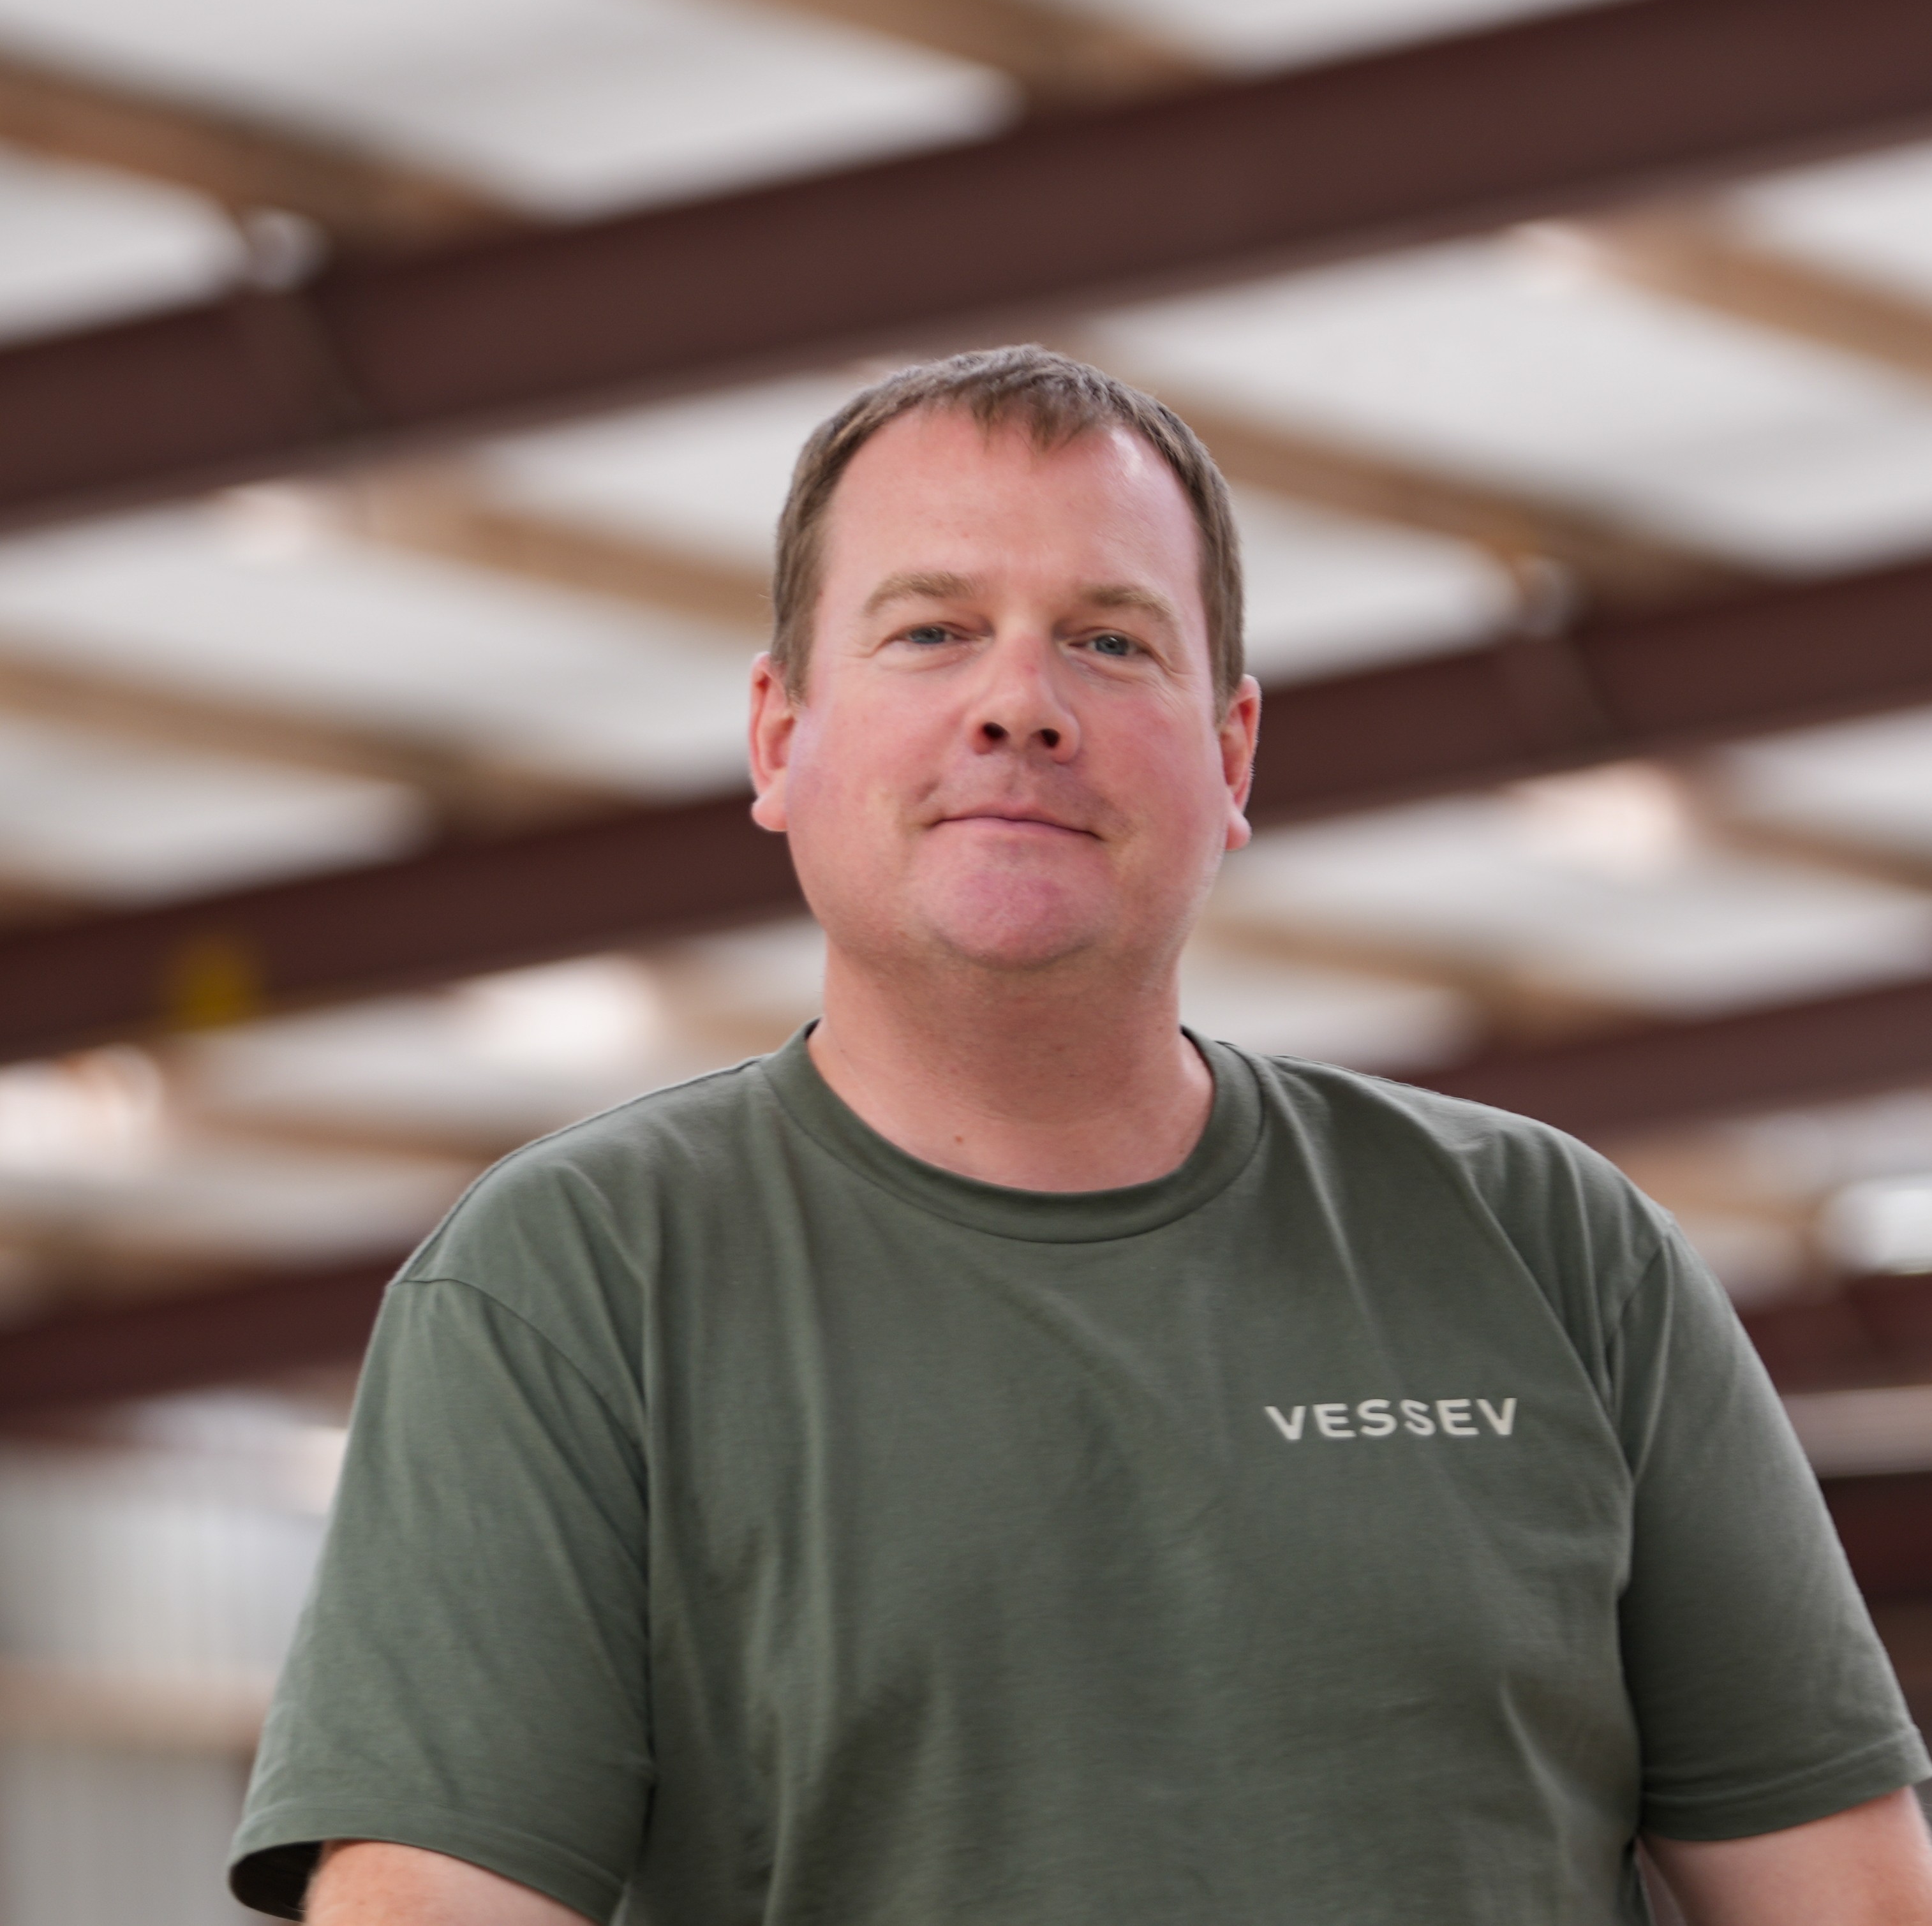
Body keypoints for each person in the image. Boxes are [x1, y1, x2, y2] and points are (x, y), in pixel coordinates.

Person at [230, 347, 1932, 1925]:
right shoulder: (574, 1281)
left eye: (1111, 641)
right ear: (780, 737)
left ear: (1230, 751)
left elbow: (1849, 1899)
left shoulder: (1551, 1247)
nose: (1020, 704)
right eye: (931, 631)